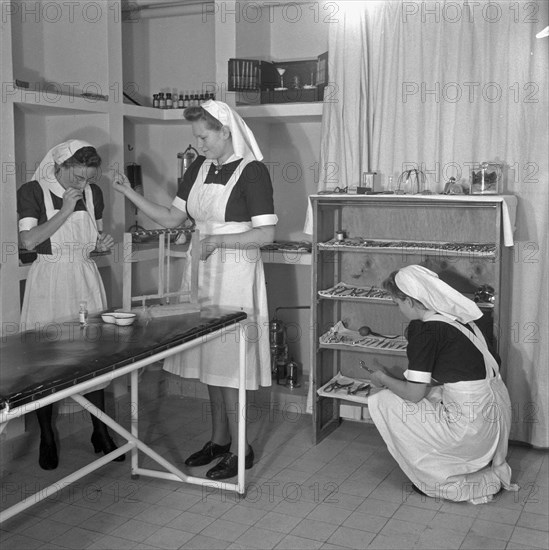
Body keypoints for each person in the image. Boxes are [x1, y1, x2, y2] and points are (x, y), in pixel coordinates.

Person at [113, 100, 277, 480]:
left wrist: (220, 244)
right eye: (196, 138)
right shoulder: (200, 169)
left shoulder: (253, 172)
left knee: (231, 360)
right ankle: (219, 439)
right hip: (201, 267)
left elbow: (266, 233)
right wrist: (128, 193)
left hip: (236, 268)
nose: (198, 145)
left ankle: (241, 448)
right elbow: (174, 217)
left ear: (225, 131)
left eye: (204, 137)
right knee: (209, 356)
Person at [367, 265, 518, 504]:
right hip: (493, 421)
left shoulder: (426, 332)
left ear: (410, 300)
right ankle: (473, 465)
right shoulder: (458, 318)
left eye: (397, 303)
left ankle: (435, 478)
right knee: (434, 394)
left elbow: (414, 394)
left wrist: (383, 379)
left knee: (384, 400)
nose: (399, 309)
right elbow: (457, 370)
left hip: (472, 431)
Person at [18, 139, 125, 470]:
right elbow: (29, 241)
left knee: (91, 356)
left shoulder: (94, 193)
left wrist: (102, 243)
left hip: (84, 277)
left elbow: (93, 242)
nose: (84, 184)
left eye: (89, 178)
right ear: (59, 167)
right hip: (49, 279)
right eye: (78, 177)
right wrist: (65, 209)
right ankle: (47, 436)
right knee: (44, 361)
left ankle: (100, 431)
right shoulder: (32, 191)